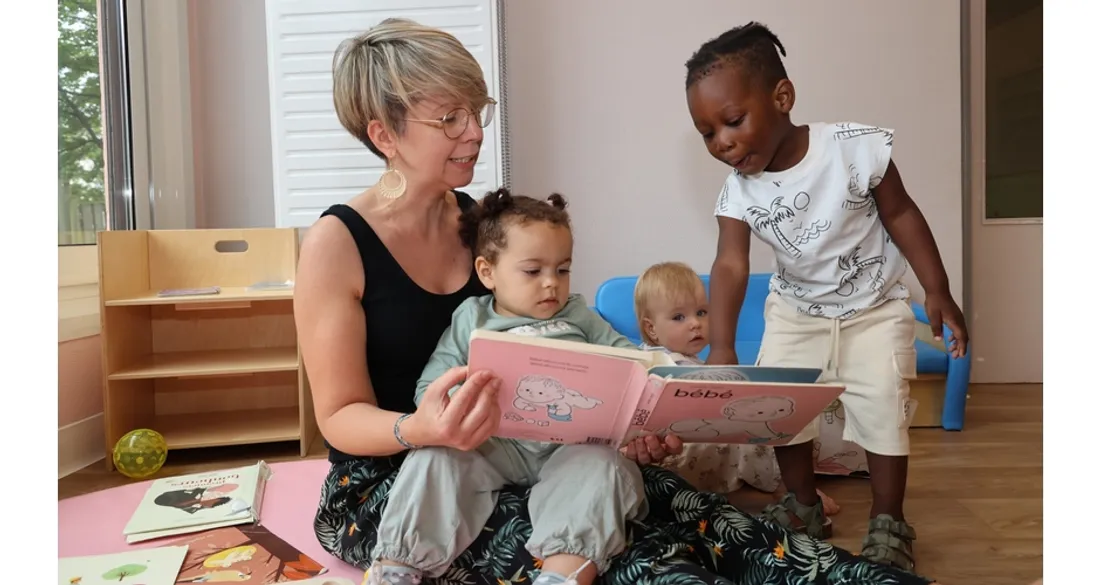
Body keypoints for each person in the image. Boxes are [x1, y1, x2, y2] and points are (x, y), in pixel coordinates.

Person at [294, 16, 944, 585]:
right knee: (644, 557)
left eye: (476, 111)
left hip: (539, 452)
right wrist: (422, 427)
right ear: (384, 134)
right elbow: (341, 417)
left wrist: (630, 419)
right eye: (449, 118)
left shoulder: (479, 221)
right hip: (409, 474)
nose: (473, 132)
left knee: (699, 512)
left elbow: (560, 358)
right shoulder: (336, 243)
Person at [685, 21, 969, 572]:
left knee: (883, 405)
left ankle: (889, 518)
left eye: (732, 121)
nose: (721, 142)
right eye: (706, 132)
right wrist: (721, 347)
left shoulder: (855, 149)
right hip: (797, 310)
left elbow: (903, 213)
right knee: (782, 411)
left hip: (874, 307)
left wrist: (938, 289)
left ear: (782, 97)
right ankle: (803, 506)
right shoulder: (738, 192)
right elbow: (729, 263)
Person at [366, 189, 647, 585]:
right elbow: (432, 383)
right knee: (434, 460)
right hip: (493, 444)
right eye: (533, 272)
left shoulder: (578, 314)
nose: (552, 284)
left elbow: (631, 360)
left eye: (562, 270)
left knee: (605, 469)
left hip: (571, 447)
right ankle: (399, 567)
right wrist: (451, 405)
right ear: (487, 272)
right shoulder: (471, 318)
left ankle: (562, 574)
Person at [632, 261, 840, 514]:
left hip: (689, 458)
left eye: (701, 312)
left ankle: (768, 499)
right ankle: (792, 491)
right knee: (764, 437)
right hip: (670, 456)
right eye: (679, 317)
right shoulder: (656, 362)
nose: (695, 324)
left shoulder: (690, 359)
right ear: (651, 328)